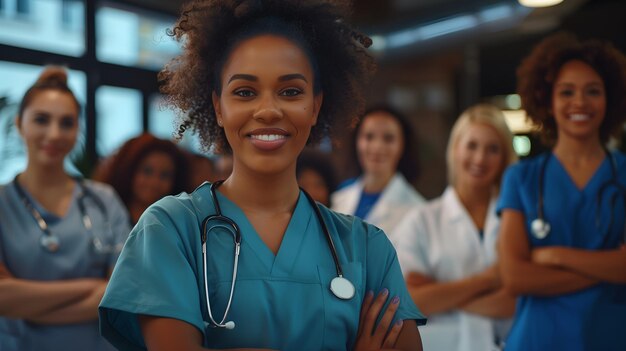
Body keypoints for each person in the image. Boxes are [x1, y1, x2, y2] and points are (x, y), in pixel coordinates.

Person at [98, 1, 426, 350]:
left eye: (290, 91)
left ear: (315, 107)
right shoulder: (170, 230)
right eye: (244, 92)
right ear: (218, 108)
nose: (268, 110)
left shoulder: (366, 248)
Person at [498, 32, 626, 351]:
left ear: (610, 98)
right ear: (547, 100)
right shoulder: (521, 178)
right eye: (566, 92)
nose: (579, 102)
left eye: (593, 91)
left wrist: (555, 256)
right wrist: (610, 268)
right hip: (537, 339)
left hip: (610, 337)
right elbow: (515, 278)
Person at [0, 67, 131, 351]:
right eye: (41, 120)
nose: (54, 133)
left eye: (67, 123)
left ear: (78, 130)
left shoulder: (104, 200)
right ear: (20, 124)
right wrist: (91, 288)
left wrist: (23, 303)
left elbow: (124, 290)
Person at [393, 104, 518, 351]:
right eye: (472, 146)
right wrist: (490, 280)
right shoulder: (421, 220)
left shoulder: (515, 220)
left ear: (504, 157)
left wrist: (439, 294)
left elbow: (515, 302)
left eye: (492, 149)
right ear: (456, 149)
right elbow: (409, 302)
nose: (480, 158)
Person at [331, 105, 425, 245]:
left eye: (388, 139)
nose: (377, 147)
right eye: (369, 137)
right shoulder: (339, 198)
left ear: (402, 146)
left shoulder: (418, 210)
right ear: (357, 142)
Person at [93, 133, 191, 225]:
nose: (154, 182)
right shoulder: (102, 218)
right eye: (147, 171)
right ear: (128, 171)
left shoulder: (178, 227)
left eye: (164, 175)